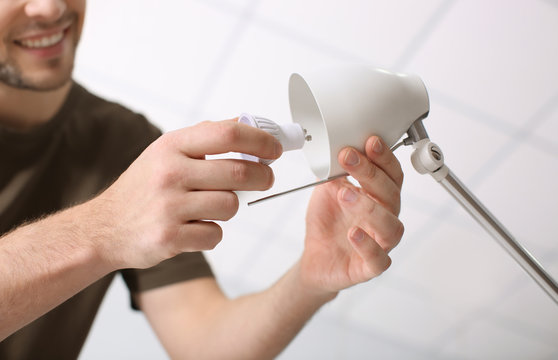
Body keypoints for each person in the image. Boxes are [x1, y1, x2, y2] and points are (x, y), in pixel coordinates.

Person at [0, 0, 405, 359]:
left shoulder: (125, 144)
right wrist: (103, 229)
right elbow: (109, 226)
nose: (50, 8)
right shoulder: (128, 188)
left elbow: (205, 345)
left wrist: (310, 279)